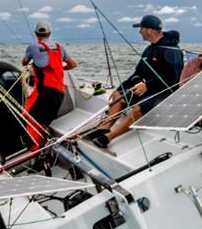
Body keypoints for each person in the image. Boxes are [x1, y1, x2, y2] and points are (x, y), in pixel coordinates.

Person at [90, 14, 183, 148]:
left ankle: (108, 137)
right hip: (150, 88)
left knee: (138, 109)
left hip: (166, 92)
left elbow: (173, 80)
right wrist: (121, 87)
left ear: (149, 30)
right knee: (118, 96)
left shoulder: (171, 51)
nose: (139, 32)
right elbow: (138, 73)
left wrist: (147, 85)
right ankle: (103, 129)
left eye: (141, 29)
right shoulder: (150, 49)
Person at [22, 20, 78, 149]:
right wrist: (59, 68)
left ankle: (34, 152)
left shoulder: (32, 47)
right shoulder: (59, 47)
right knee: (42, 123)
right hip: (59, 94)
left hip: (44, 92)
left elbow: (24, 63)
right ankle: (43, 149)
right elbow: (73, 64)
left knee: (29, 119)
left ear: (36, 34)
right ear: (50, 33)